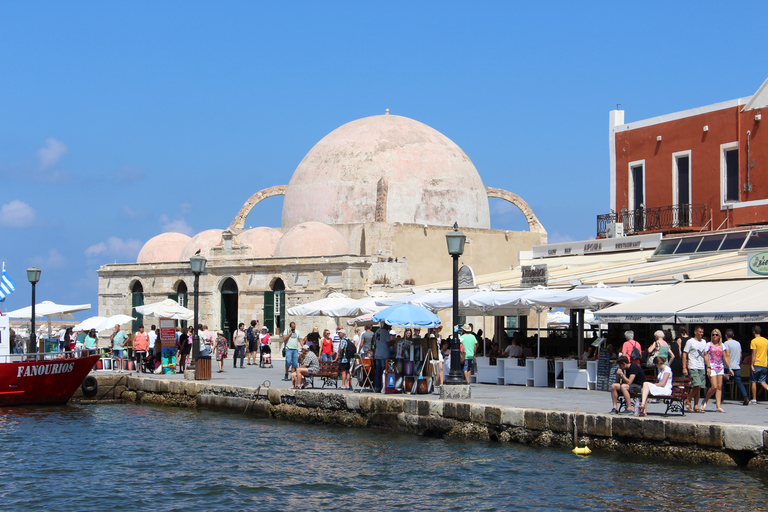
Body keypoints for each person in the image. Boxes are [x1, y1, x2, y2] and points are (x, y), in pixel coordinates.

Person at [682, 325, 709, 413]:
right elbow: (684, 354)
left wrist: (708, 366)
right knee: (697, 385)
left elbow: (705, 354)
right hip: (693, 365)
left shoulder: (704, 342)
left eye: (702, 332)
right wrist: (684, 367)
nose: (701, 334)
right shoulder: (690, 342)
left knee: (699, 388)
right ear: (695, 332)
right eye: (700, 332)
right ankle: (688, 400)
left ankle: (696, 406)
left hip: (701, 366)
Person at [702, 328, 729, 413]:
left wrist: (730, 367)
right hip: (712, 366)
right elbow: (705, 355)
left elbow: (725, 357)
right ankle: (705, 400)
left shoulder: (722, 345)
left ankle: (718, 406)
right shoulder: (708, 344)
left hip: (720, 367)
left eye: (716, 335)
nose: (714, 336)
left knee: (719, 387)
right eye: (713, 334)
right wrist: (708, 367)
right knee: (713, 386)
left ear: (719, 336)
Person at [723, 328, 749, 405]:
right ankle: (745, 397)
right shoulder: (738, 343)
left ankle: (721, 398)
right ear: (733, 335)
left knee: (723, 383)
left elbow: (726, 355)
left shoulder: (726, 344)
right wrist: (739, 363)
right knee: (739, 383)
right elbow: (740, 355)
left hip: (728, 367)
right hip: (737, 367)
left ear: (726, 335)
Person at [750, 325, 768, 404]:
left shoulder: (754, 341)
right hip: (765, 363)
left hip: (757, 363)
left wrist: (751, 364)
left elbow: (754, 353)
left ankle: (754, 399)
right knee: (762, 381)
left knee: (753, 381)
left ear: (754, 332)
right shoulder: (766, 341)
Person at [373, 323, 393, 392]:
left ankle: (377, 387)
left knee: (378, 371)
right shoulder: (385, 332)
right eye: (390, 326)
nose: (390, 327)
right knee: (384, 371)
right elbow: (388, 344)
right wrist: (394, 342)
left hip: (377, 353)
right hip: (384, 354)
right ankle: (383, 387)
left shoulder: (377, 331)